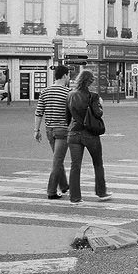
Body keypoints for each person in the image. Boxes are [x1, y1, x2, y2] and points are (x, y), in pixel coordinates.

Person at [65, 69, 111, 203]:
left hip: (73, 133)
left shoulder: (70, 95)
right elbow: (98, 114)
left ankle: (75, 197)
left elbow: (67, 118)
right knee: (98, 163)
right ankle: (101, 192)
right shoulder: (93, 96)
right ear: (90, 82)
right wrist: (100, 105)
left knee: (75, 166)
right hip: (90, 134)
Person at [34, 64, 72, 199]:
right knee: (57, 161)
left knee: (57, 158)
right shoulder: (68, 93)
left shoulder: (45, 91)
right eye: (68, 75)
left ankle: (64, 185)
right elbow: (73, 112)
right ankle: (51, 191)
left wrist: (36, 130)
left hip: (49, 130)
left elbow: (39, 112)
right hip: (63, 130)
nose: (69, 78)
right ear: (65, 75)